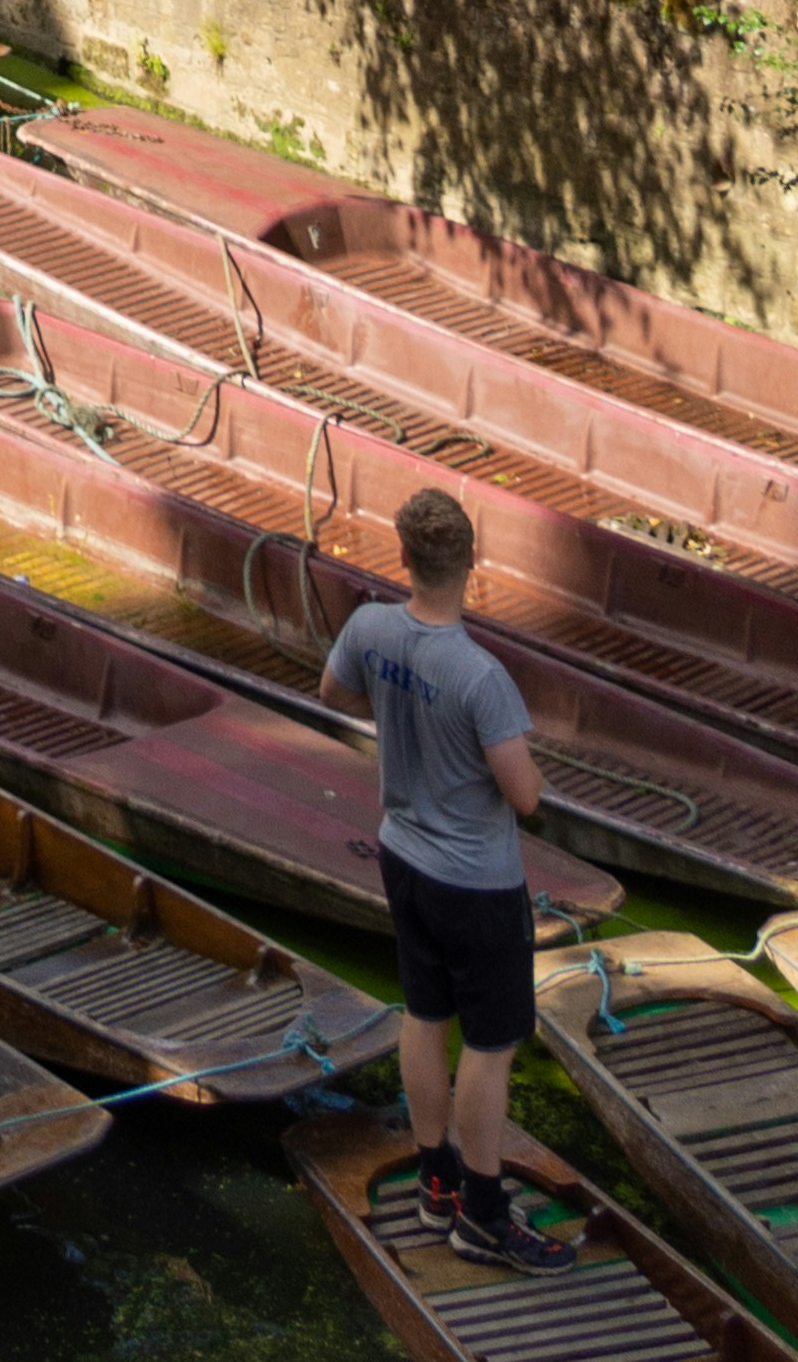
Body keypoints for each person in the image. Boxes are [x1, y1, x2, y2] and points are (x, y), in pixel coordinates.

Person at [324, 491, 563, 1262]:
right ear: (471, 566)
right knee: (491, 1047)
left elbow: (333, 694)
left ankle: (437, 1185)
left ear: (404, 560)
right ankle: (484, 1216)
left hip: (404, 856)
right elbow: (525, 798)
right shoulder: (480, 675)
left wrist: (403, 719)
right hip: (477, 883)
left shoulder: (370, 628)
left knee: (424, 1013)